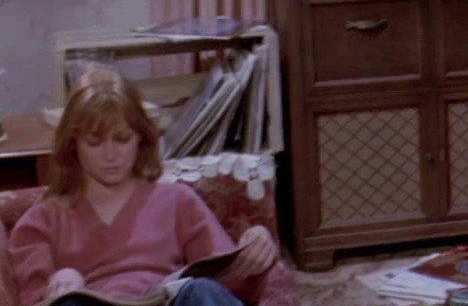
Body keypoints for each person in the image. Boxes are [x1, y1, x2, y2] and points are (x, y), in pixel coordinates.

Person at [7, 70, 278, 306]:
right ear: (73, 145)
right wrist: (58, 285)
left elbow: (230, 285)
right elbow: (32, 299)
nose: (111, 155)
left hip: (167, 300)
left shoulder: (177, 200)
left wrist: (255, 251)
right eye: (95, 142)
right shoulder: (41, 222)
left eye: (122, 139)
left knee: (200, 290)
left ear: (141, 139)